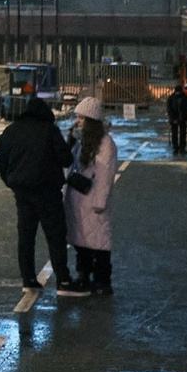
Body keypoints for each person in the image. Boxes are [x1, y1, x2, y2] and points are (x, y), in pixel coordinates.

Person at [0, 95, 79, 298]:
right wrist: (70, 144)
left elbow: (0, 162)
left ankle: (28, 279)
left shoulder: (11, 131)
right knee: (55, 236)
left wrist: (11, 182)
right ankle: (63, 280)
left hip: (23, 192)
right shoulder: (49, 130)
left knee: (26, 236)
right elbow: (66, 159)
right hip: (48, 191)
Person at [65, 95, 118, 296]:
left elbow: (105, 175)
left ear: (91, 120)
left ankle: (102, 280)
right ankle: (84, 275)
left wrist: (100, 202)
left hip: (92, 199)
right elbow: (69, 165)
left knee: (99, 242)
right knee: (81, 241)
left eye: (81, 118)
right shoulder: (80, 141)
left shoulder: (105, 143)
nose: (77, 121)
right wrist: (70, 142)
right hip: (77, 199)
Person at [164, 80, 187, 158]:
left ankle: (180, 148)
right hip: (177, 118)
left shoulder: (174, 98)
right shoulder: (182, 98)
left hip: (181, 118)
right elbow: (170, 109)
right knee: (176, 134)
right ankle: (177, 148)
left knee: (181, 134)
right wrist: (173, 118)